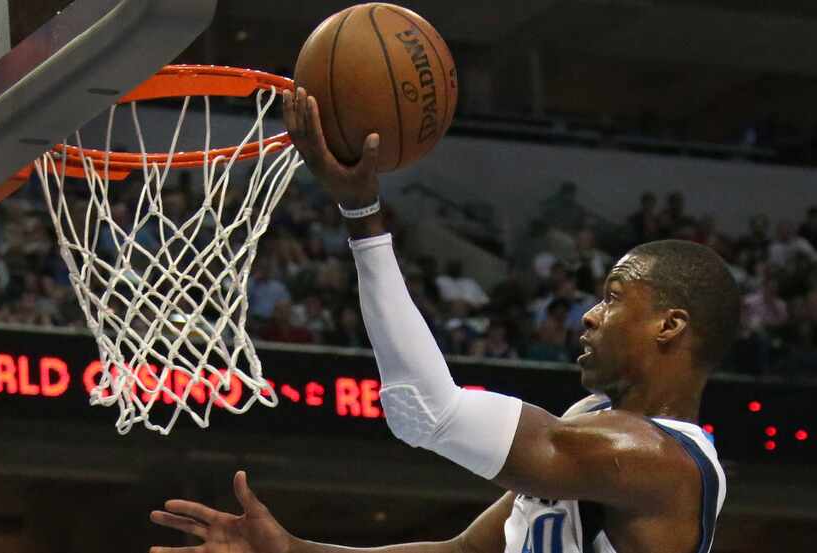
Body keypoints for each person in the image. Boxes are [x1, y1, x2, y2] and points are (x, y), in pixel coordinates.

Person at [149, 88, 739, 553]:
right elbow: (461, 552)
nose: (590, 315)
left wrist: (362, 214)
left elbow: (425, 410)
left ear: (670, 326)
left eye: (613, 298)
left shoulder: (657, 461)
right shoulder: (591, 431)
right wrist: (294, 550)